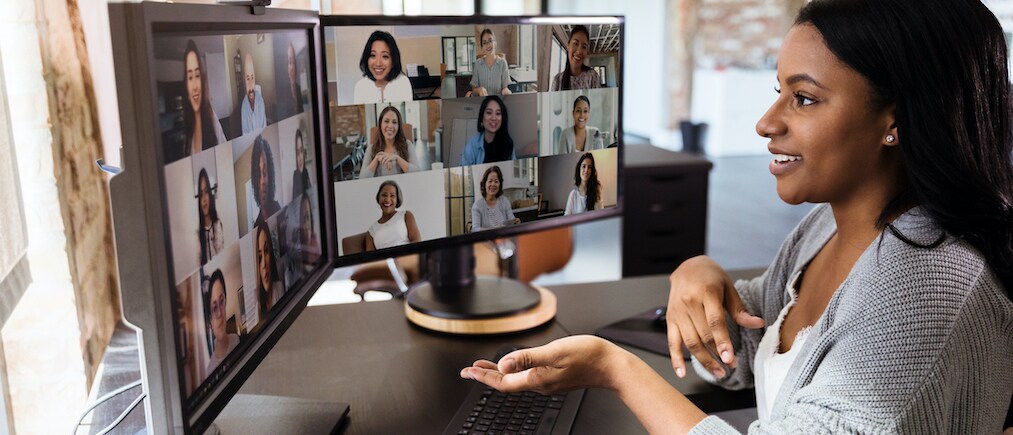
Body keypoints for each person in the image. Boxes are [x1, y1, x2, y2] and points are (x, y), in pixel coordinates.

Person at [460, 1, 1013, 433]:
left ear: (894, 120)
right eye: (780, 91)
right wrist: (699, 279)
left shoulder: (927, 291)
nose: (765, 122)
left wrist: (615, 370)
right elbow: (754, 345)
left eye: (804, 99)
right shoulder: (828, 227)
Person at [180, 40, 226, 161]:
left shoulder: (212, 120)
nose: (195, 86)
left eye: (197, 75)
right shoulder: (187, 131)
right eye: (190, 77)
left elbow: (224, 157)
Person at [353, 31, 414, 105]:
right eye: (373, 55)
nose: (378, 63)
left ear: (393, 61)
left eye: (385, 56)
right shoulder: (361, 86)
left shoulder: (403, 83)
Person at [360, 106, 420, 178]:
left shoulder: (408, 144)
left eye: (394, 122)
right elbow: (362, 178)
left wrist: (397, 158)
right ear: (380, 124)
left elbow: (417, 172)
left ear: (398, 126)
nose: (390, 126)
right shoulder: (371, 149)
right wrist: (376, 159)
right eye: (386, 121)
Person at [365, 180, 421, 251]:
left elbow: (417, 242)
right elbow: (370, 259)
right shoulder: (371, 231)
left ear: (397, 199)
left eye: (392, 196)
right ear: (378, 198)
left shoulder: (406, 215)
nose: (388, 200)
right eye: (384, 195)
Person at [460, 96, 515, 166]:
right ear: (482, 117)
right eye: (489, 113)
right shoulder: (472, 145)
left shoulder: (508, 143)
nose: (494, 118)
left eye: (498, 113)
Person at [204, 270, 238, 374]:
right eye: (214, 308)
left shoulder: (237, 339)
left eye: (222, 300)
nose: (220, 313)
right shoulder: (210, 371)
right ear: (209, 320)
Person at [551, 25, 600, 91]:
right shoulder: (557, 80)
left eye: (584, 47)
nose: (579, 51)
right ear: (568, 45)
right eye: (575, 44)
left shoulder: (592, 77)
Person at [470, 166, 519, 231]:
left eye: (496, 181)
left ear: (500, 184)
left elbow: (511, 220)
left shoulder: (505, 201)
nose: (493, 184)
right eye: (490, 181)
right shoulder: (477, 206)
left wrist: (516, 223)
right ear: (485, 184)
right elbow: (475, 229)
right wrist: (495, 229)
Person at [254, 220, 284, 319]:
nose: (263, 264)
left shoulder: (280, 287)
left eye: (266, 250)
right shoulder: (257, 305)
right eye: (259, 257)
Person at [470, 29, 512, 97]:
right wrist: (479, 90)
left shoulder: (503, 63)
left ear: (495, 43)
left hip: (498, 102)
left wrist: (505, 90)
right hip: (482, 103)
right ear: (482, 47)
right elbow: (474, 89)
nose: (488, 45)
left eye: (490, 41)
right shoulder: (477, 64)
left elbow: (505, 87)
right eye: (484, 43)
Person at [196, 168, 224, 264]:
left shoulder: (218, 224)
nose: (204, 199)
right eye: (201, 194)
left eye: (206, 191)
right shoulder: (197, 235)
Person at [251, 135, 281, 224]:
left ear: (270, 174)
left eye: (265, 172)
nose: (262, 181)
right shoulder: (256, 225)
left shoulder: (279, 211)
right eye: (258, 175)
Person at [241, 53, 267, 135]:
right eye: (248, 78)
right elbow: (244, 133)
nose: (251, 84)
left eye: (252, 78)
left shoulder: (260, 101)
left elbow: (264, 127)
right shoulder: (243, 107)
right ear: (244, 81)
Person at [276, 43, 303, 121]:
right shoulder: (281, 94)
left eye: (294, 62)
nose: (292, 68)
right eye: (290, 62)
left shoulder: (302, 90)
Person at [295, 194, 321, 270]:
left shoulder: (316, 248)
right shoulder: (297, 251)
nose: (305, 226)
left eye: (307, 218)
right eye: (302, 220)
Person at [291, 129, 311, 197]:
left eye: (301, 151)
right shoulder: (295, 175)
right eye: (297, 153)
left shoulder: (306, 172)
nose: (300, 158)